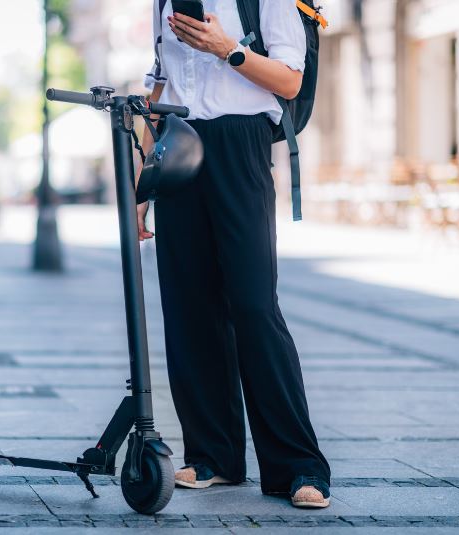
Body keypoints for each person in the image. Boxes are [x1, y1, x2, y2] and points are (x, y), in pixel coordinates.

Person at [138, 0, 331, 508]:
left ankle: (299, 465)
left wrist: (228, 50)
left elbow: (289, 81)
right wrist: (143, 183)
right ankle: (213, 457)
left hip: (240, 143)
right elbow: (158, 87)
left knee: (252, 305)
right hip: (178, 144)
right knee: (188, 308)